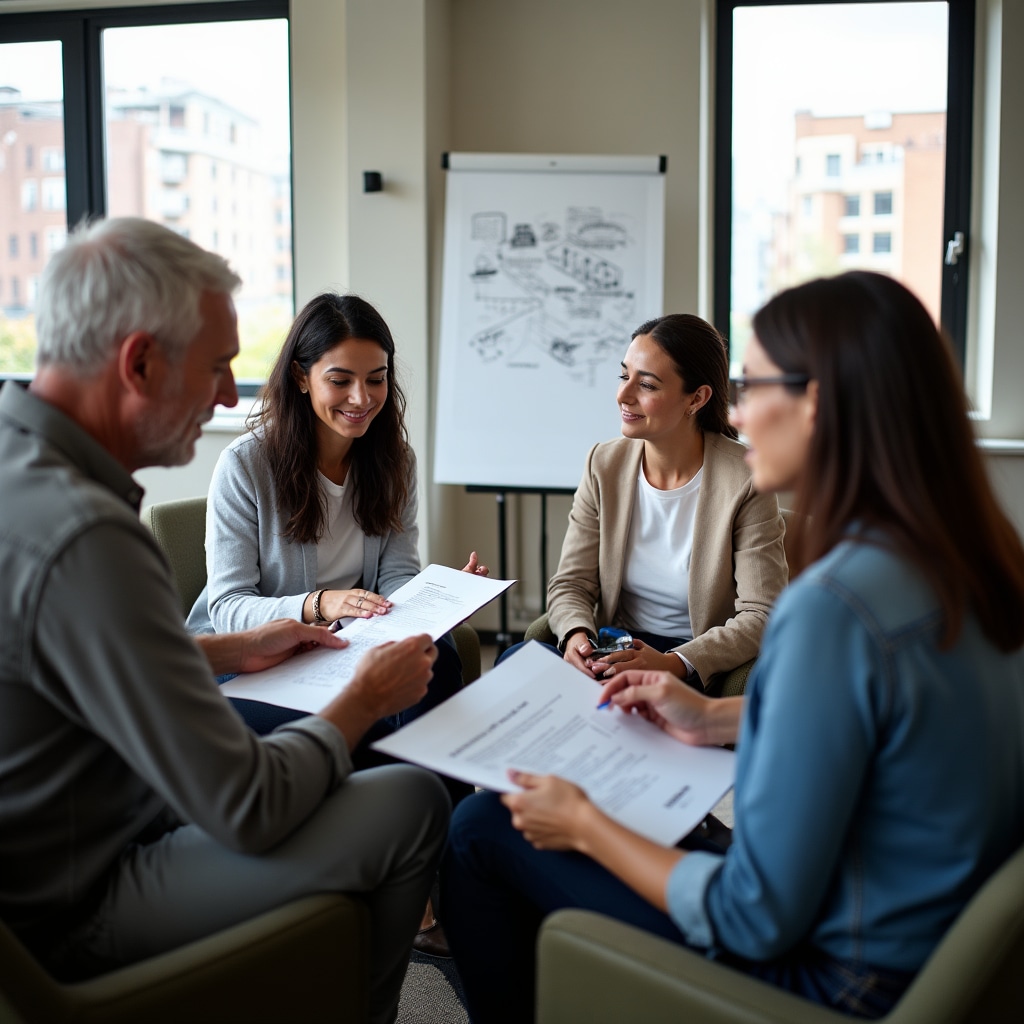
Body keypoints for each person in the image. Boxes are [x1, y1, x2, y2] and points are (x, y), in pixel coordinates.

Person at [440, 271, 1024, 1022]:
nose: (740, 410)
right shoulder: (976, 562)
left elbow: (754, 915)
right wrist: (712, 720)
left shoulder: (835, 607)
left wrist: (585, 824)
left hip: (827, 975)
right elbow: (879, 729)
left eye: (751, 385)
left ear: (819, 404)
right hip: (915, 939)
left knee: (482, 830)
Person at [0, 217, 450, 1024]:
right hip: (81, 898)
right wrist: (362, 697)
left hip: (86, 823)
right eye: (215, 367)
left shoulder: (19, 467)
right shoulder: (90, 535)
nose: (224, 395)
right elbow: (250, 804)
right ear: (138, 361)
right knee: (411, 803)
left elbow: (87, 659)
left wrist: (234, 644)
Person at [187, 292, 486, 739]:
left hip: (345, 644)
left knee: (435, 654)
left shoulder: (394, 460)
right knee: (376, 723)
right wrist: (318, 604)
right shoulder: (245, 465)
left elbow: (397, 575)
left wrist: (437, 604)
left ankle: (443, 807)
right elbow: (228, 609)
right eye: (340, 380)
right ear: (301, 377)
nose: (362, 398)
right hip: (254, 660)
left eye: (376, 379)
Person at [507, 313, 787, 692]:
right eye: (624, 376)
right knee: (515, 665)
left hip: (691, 658)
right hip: (613, 645)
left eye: (648, 385)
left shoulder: (746, 478)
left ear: (697, 398)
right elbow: (571, 583)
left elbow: (760, 613)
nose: (623, 395)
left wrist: (675, 663)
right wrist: (577, 637)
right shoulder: (603, 464)